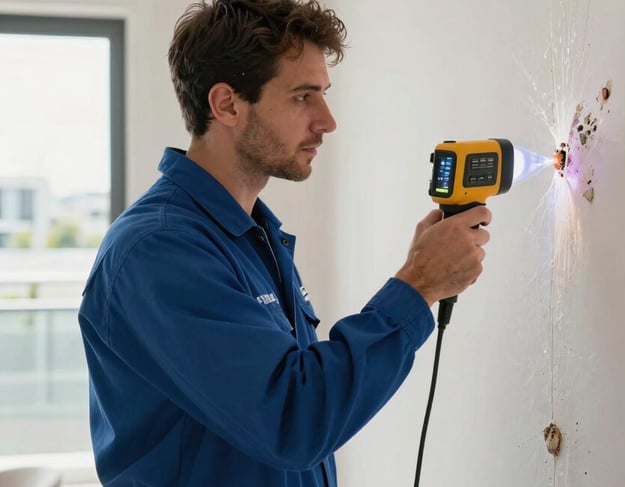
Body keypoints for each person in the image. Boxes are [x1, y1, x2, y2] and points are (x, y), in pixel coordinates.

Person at [78, 0, 492, 485]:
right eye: (302, 97)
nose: (327, 120)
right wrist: (417, 286)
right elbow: (292, 420)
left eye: (323, 95)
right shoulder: (160, 250)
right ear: (227, 104)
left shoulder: (252, 237)